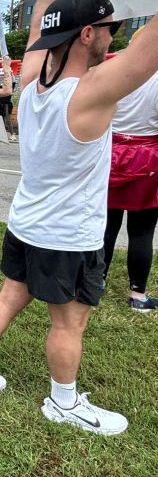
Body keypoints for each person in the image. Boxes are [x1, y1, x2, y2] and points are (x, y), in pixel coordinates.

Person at [0, 0, 158, 435]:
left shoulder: (35, 79)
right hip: (67, 235)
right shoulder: (90, 92)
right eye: (112, 27)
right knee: (70, 322)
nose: (118, 34)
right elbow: (151, 47)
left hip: (28, 223)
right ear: (88, 34)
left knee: (9, 296)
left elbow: (41, 27)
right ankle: (63, 402)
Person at [102, 41, 158, 311]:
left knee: (107, 225)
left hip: (112, 149)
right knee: (142, 230)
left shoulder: (114, 71)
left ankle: (96, 282)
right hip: (147, 152)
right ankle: (137, 294)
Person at [0, 68, 18, 141]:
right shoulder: (1, 88)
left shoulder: (11, 88)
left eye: (6, 81)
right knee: (0, 120)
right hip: (0, 104)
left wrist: (11, 73)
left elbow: (14, 81)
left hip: (7, 105)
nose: (5, 82)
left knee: (8, 120)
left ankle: (12, 135)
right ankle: (0, 135)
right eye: (4, 81)